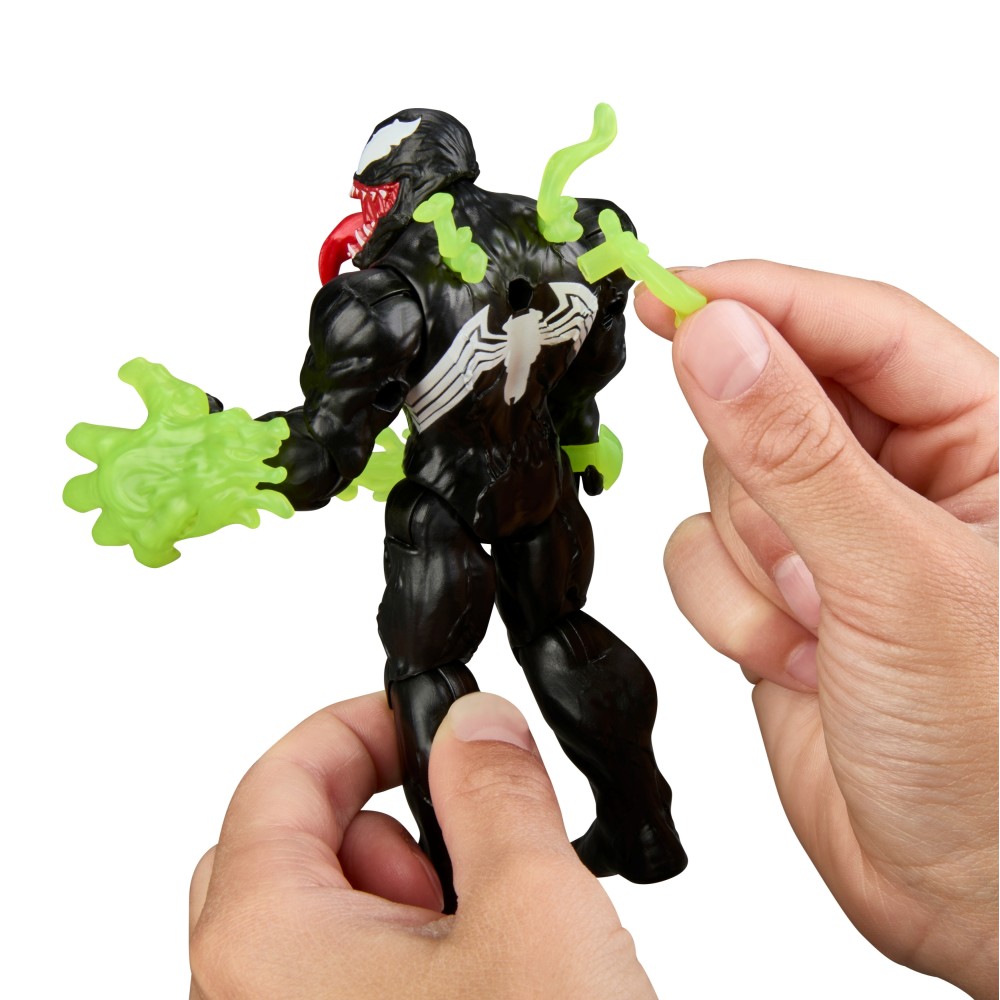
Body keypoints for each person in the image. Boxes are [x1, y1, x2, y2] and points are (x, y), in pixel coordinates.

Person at [188, 261, 998, 1000]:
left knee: (428, 672)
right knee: (559, 627)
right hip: (540, 480)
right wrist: (575, 432)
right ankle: (642, 828)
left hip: (447, 497)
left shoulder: (381, 297)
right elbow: (593, 362)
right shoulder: (560, 234)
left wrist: (227, 456)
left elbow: (325, 452)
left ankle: (462, 890)